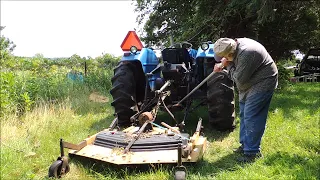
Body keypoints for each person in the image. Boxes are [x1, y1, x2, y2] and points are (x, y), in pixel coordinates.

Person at [213, 37, 278, 163]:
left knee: (252, 116)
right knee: (244, 115)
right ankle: (245, 146)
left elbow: (239, 79)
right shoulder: (233, 45)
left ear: (230, 54)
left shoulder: (247, 53)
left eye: (225, 57)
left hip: (263, 81)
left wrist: (227, 66)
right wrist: (227, 63)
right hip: (248, 82)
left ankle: (252, 153)